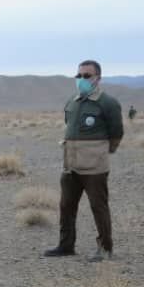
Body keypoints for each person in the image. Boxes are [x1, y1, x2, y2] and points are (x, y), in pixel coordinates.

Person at [44, 59, 124, 262]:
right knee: (66, 206)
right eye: (78, 75)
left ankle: (105, 248)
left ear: (98, 78)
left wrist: (102, 152)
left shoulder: (107, 103)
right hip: (71, 165)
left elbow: (116, 133)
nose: (81, 79)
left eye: (87, 76)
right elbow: (68, 126)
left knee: (98, 206)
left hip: (94, 167)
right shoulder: (73, 101)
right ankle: (66, 245)